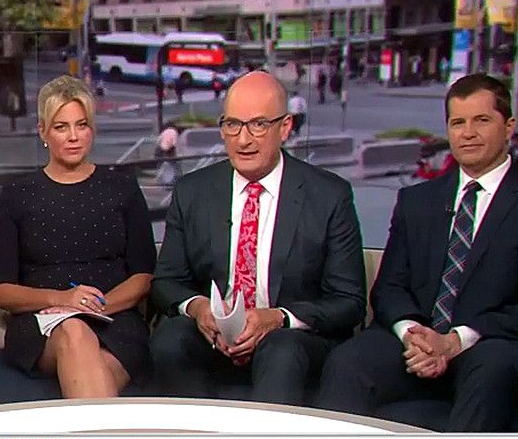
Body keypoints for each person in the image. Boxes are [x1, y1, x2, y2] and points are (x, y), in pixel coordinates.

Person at [315, 74, 518, 431]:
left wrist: (456, 340)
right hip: (417, 344)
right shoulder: (416, 201)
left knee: (491, 367)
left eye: (481, 120)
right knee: (348, 361)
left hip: (497, 345)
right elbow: (389, 288)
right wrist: (414, 335)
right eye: (458, 123)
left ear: (508, 126)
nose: (468, 133)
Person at [150, 72, 367, 406]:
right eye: (232, 125)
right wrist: (199, 308)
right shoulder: (193, 191)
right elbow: (167, 281)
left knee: (282, 349)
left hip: (291, 341)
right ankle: (200, 435)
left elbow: (348, 301)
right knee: (170, 338)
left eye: (258, 125)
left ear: (285, 127)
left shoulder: (329, 195)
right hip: (214, 338)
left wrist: (278, 317)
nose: (243, 140)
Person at [0, 76, 156, 398]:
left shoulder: (122, 188)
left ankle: (94, 432)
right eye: (61, 127)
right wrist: (62, 300)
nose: (74, 137)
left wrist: (95, 307)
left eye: (82, 125)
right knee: (74, 332)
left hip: (116, 319)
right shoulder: (17, 195)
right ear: (43, 132)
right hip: (42, 324)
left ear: (92, 129)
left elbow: (143, 277)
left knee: (92, 363)